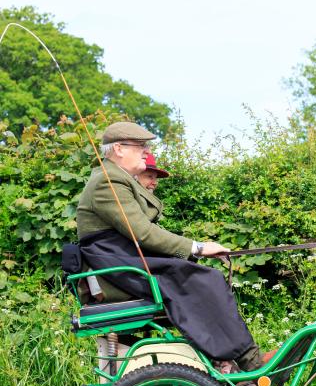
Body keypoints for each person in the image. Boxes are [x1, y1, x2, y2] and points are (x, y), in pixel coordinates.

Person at [75, 121, 266, 371]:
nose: (146, 151)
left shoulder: (115, 177)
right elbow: (142, 232)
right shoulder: (108, 181)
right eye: (140, 146)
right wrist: (197, 247)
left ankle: (229, 360)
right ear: (119, 148)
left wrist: (193, 251)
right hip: (119, 266)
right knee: (204, 280)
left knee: (202, 278)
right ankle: (246, 363)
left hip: (125, 259)